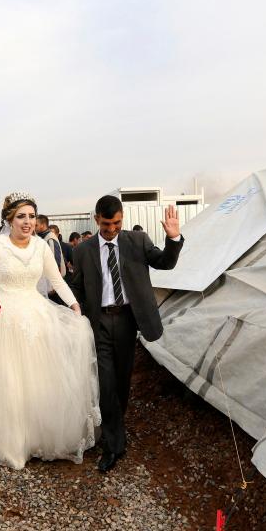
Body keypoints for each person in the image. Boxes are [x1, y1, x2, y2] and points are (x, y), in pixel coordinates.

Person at [0, 192, 99, 470]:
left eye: (32, 216)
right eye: (21, 217)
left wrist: (74, 305)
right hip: (1, 318)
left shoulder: (41, 247)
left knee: (38, 379)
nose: (28, 222)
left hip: (36, 315)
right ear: (9, 220)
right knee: (7, 382)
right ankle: (10, 443)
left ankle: (38, 437)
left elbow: (56, 281)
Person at [69, 195, 183, 472]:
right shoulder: (83, 251)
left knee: (121, 382)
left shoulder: (136, 241)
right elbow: (77, 287)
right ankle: (113, 444)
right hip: (99, 323)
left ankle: (115, 425)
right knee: (106, 382)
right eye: (107, 224)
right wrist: (76, 311)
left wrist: (174, 238)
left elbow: (165, 263)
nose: (112, 229)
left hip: (128, 321)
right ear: (97, 220)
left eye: (117, 223)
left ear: (122, 218)